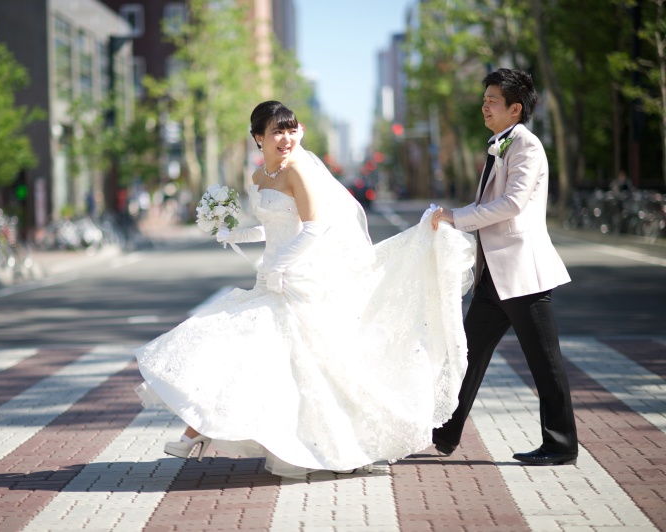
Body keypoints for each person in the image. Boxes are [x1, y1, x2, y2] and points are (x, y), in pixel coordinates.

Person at [133, 101, 476, 477]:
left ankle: (200, 432)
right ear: (257, 138)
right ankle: (198, 430)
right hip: (271, 278)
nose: (285, 138)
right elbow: (275, 227)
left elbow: (314, 227)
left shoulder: (299, 170)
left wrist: (281, 266)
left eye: (290, 129)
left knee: (290, 359)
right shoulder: (259, 176)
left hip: (300, 280)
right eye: (277, 131)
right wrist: (236, 233)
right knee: (256, 355)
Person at [430, 69, 578, 465]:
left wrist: (455, 216)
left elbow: (512, 204)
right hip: (494, 274)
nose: (484, 106)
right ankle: (444, 433)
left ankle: (561, 445)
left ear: (515, 109)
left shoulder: (526, 145)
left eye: (491, 100)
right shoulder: (500, 143)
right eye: (484, 100)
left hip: (522, 272)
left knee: (545, 361)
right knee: (467, 355)